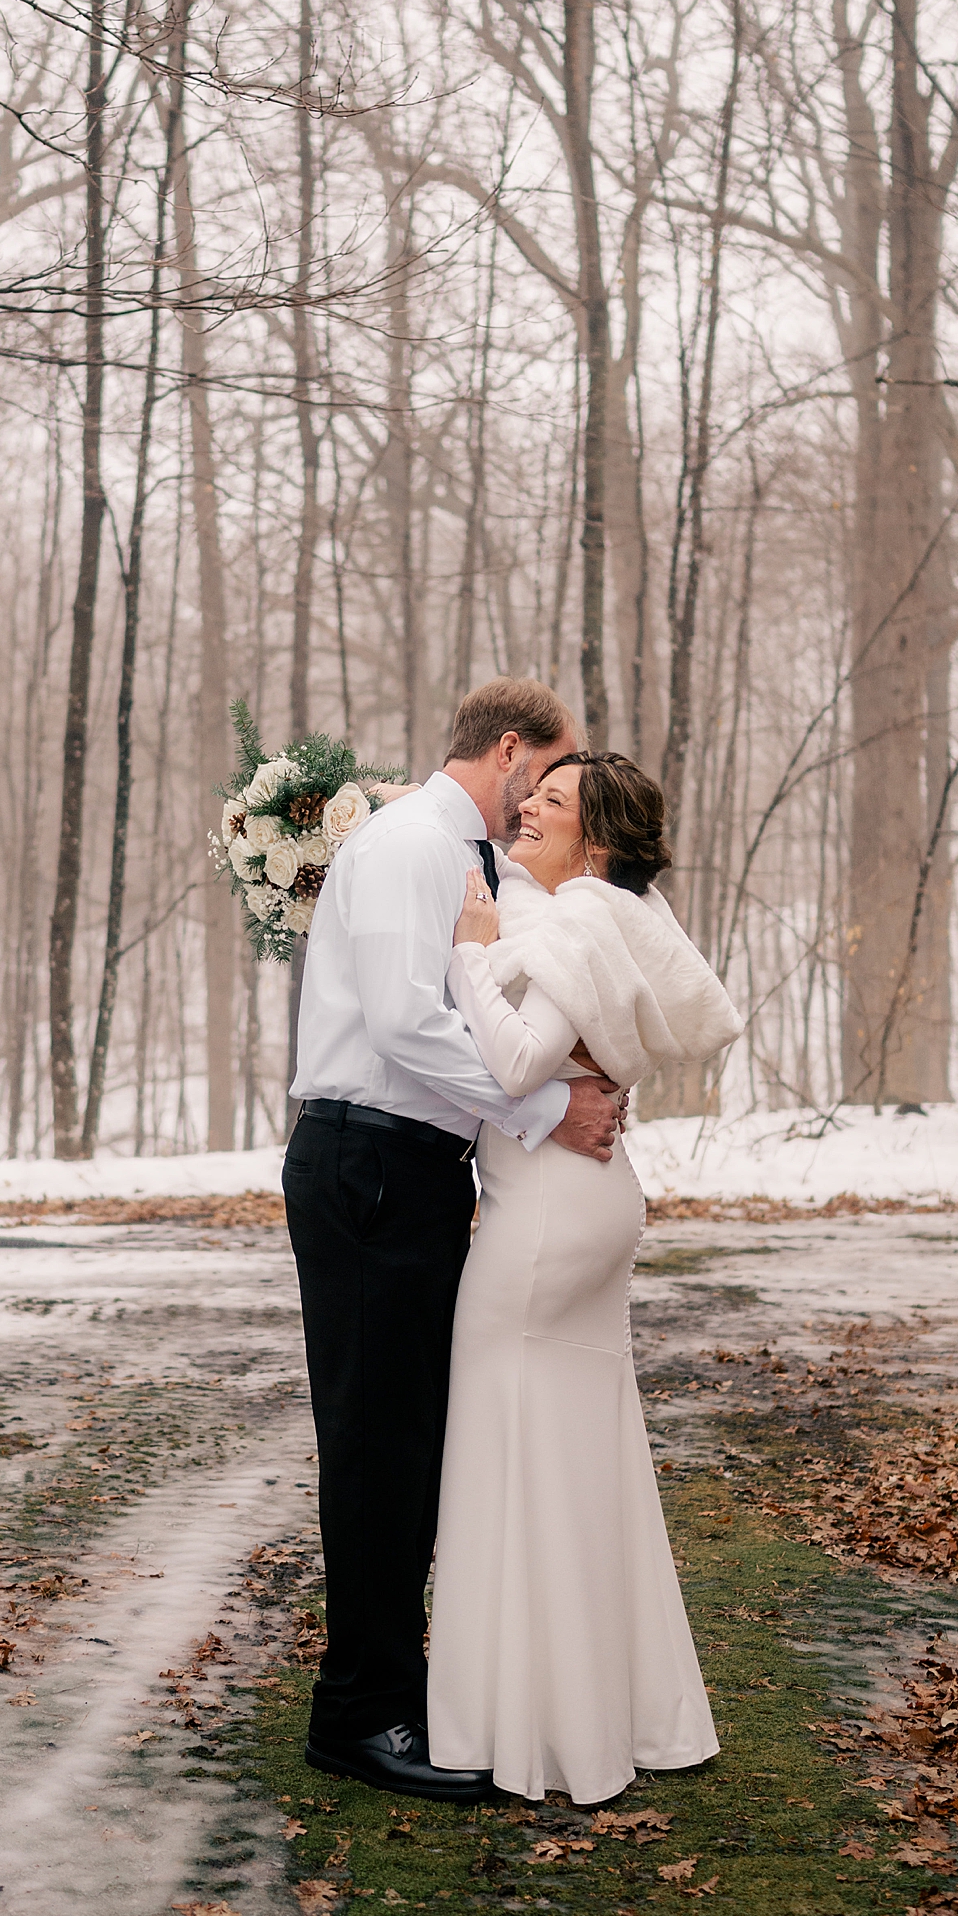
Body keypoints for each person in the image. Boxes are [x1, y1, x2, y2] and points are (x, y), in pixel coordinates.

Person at [282, 679, 626, 1803]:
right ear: (513, 751)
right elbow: (401, 1023)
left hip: (413, 1169)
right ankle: (358, 1715)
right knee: (378, 1446)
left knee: (410, 1442)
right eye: (556, 771)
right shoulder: (407, 848)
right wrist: (540, 1113)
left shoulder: (458, 856)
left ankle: (398, 1682)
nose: (551, 798)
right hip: (367, 1161)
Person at [426, 751, 744, 1805]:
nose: (527, 806)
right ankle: (613, 1714)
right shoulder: (590, 919)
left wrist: (472, 958)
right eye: (532, 791)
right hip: (580, 1206)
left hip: (549, 1217)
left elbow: (521, 1066)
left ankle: (524, 1728)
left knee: (504, 1451)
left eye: (551, 804)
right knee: (581, 1460)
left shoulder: (572, 925)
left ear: (593, 845)